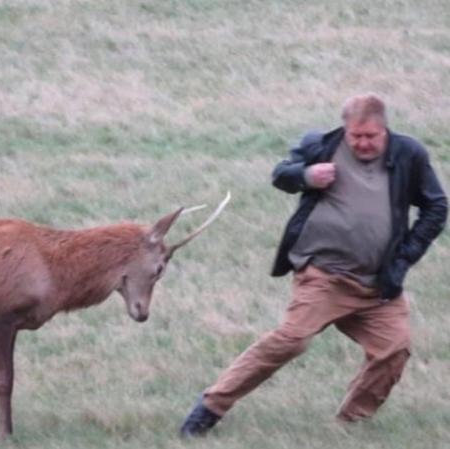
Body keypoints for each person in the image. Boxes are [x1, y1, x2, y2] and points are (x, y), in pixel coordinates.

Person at [180, 93, 448, 437]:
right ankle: (209, 408)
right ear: (345, 129)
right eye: (356, 136)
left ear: (385, 130)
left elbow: (436, 207)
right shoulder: (321, 145)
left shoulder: (409, 154)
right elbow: (281, 176)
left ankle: (349, 424)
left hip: (378, 283)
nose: (363, 143)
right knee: (291, 340)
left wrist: (404, 259)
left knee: (394, 349)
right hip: (323, 276)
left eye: (371, 136)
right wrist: (306, 175)